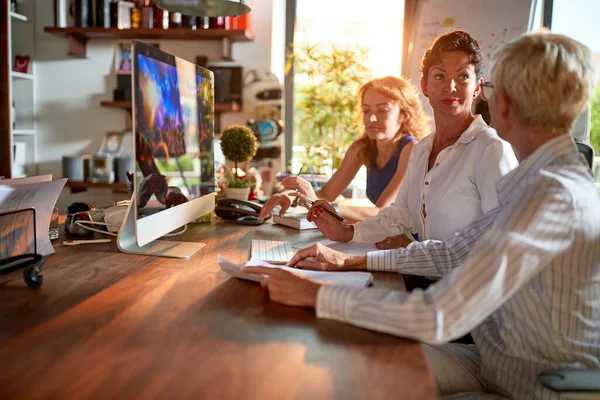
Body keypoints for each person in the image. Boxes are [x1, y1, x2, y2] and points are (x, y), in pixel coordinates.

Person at [244, 32, 600, 399]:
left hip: (527, 386)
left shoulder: (551, 198)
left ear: (503, 102)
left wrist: (316, 294)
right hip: (496, 360)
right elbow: (450, 252)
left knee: (352, 368)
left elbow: (438, 314)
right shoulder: (544, 184)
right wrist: (345, 261)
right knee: (355, 351)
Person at [306, 30, 518, 250]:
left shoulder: (491, 148)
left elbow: (502, 241)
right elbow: (400, 215)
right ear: (425, 86)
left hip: (465, 282)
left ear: (477, 87)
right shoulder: (422, 149)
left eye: (463, 76)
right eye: (440, 75)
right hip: (425, 275)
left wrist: (414, 248)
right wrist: (348, 232)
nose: (451, 86)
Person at [257, 76, 430, 224]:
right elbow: (327, 193)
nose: (372, 118)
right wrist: (293, 196)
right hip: (384, 234)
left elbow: (382, 212)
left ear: (404, 115)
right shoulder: (362, 148)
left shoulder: (412, 149)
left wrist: (318, 203)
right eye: (366, 110)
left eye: (383, 110)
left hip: (409, 239)